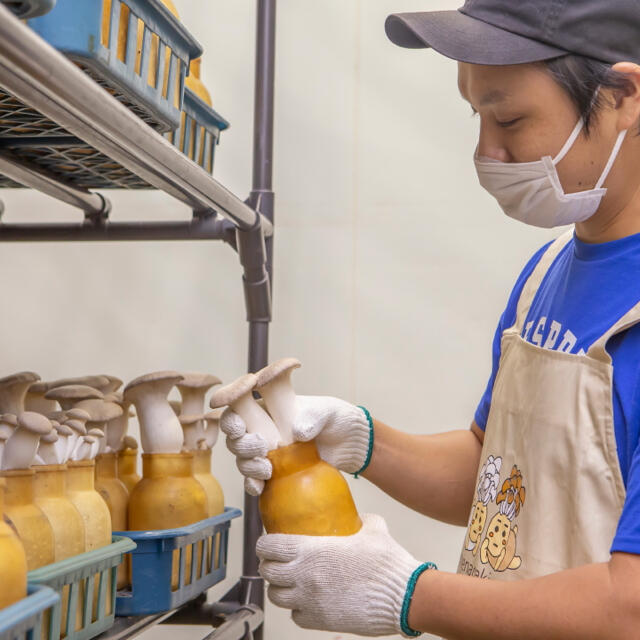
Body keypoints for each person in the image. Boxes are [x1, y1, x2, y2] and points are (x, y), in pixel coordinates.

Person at [221, 1, 640, 637]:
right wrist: (362, 440)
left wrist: (408, 595)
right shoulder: (545, 277)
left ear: (625, 98)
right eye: (476, 116)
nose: (486, 152)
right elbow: (497, 471)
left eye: (510, 118)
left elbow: (628, 605)